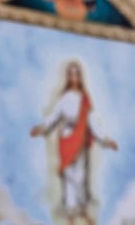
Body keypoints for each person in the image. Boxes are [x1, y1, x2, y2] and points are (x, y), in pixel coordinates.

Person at [30, 60, 119, 225]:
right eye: (71, 74)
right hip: (66, 140)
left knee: (81, 178)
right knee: (69, 179)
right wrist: (41, 128)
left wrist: (107, 140)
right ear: (68, 77)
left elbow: (92, 122)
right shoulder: (63, 98)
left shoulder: (85, 99)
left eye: (76, 73)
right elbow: (53, 117)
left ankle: (83, 213)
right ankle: (71, 217)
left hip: (81, 141)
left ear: (80, 77)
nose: (74, 77)